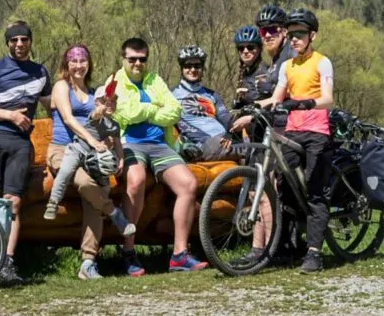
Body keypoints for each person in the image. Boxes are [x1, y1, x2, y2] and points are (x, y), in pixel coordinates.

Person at [109, 37, 207, 275]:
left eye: (142, 59)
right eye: (132, 59)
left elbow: (174, 111)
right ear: (124, 59)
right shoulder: (115, 82)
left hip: (161, 145)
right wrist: (155, 108)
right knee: (136, 181)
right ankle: (129, 252)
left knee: (188, 184)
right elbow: (126, 112)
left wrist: (146, 112)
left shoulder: (155, 80)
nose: (137, 64)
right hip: (130, 144)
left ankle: (179, 255)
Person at [0, 20, 52, 285]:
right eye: (14, 40)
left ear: (30, 41)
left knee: (13, 202)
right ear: (7, 43)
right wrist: (10, 115)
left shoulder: (40, 73)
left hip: (20, 145)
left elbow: (53, 110)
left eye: (24, 40)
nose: (19, 44)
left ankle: (6, 264)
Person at [45, 45, 134, 280]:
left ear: (88, 64)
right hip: (62, 151)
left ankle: (88, 262)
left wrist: (119, 151)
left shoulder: (95, 93)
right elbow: (68, 119)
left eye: (82, 61)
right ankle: (114, 213)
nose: (78, 65)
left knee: (98, 190)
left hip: (89, 152)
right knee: (86, 183)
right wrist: (93, 143)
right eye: (73, 61)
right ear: (66, 64)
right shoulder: (61, 87)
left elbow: (106, 124)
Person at [270, 8, 334, 273]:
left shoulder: (322, 62)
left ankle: (315, 254)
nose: (294, 39)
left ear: (312, 35)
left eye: (300, 34)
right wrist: (252, 107)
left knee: (315, 190)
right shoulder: (287, 66)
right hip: (292, 132)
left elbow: (329, 100)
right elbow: (277, 97)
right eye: (291, 34)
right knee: (286, 188)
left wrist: (308, 102)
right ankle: (289, 246)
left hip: (317, 132)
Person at [171, 45, 246, 162]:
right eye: (187, 66)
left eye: (197, 66)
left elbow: (225, 117)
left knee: (257, 144)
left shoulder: (211, 94)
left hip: (224, 139)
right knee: (253, 149)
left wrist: (233, 129)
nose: (193, 69)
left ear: (202, 68)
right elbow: (181, 125)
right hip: (203, 144)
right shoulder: (172, 95)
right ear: (181, 68)